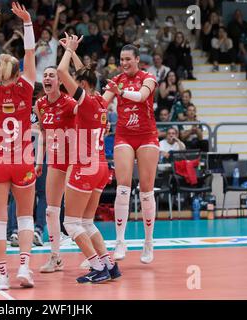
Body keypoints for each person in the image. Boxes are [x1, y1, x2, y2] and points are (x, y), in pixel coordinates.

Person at [0, 3, 36, 290]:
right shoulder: (26, 88)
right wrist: (27, 22)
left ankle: (2, 275)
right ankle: (24, 268)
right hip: (23, 159)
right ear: (17, 73)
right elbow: (31, 53)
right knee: (25, 218)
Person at [57, 33, 120, 283]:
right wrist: (74, 53)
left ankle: (97, 267)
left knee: (71, 224)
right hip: (102, 167)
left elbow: (62, 72)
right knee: (86, 221)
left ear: (82, 86)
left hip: (85, 167)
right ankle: (110, 265)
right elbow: (86, 75)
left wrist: (68, 50)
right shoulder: (102, 101)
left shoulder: (84, 101)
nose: (68, 88)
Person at [104, 44, 160, 264]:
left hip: (147, 136)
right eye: (121, 59)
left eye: (128, 59)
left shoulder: (148, 77)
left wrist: (121, 92)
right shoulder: (117, 80)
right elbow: (101, 102)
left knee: (146, 191)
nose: (124, 63)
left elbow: (141, 96)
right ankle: (120, 241)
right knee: (123, 188)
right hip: (124, 136)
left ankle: (148, 242)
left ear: (137, 59)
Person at [34, 65, 77, 273]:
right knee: (51, 211)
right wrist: (38, 161)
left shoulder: (70, 103)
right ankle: (55, 257)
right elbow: (42, 132)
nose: (47, 78)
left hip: (73, 160)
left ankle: (92, 255)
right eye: (45, 76)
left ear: (59, 81)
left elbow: (85, 121)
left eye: (52, 75)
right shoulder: (40, 103)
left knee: (73, 215)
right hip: (54, 160)